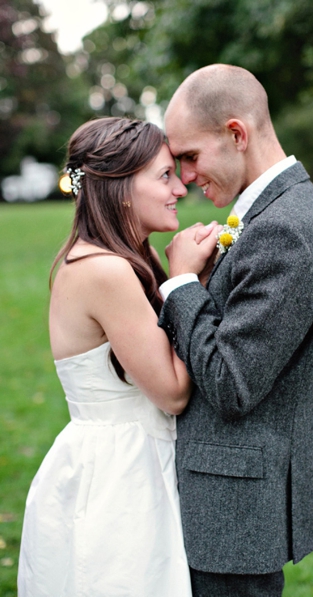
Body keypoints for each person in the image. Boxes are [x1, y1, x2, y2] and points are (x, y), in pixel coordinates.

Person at [158, 64, 313, 596]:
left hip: (233, 512)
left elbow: (232, 384)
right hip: (233, 503)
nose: (185, 176)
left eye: (189, 156)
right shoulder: (269, 212)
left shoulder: (283, 229)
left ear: (236, 134)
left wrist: (182, 285)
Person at [18, 117, 200, 595]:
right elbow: (174, 392)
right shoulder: (106, 271)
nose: (180, 188)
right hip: (120, 481)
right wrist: (186, 283)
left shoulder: (125, 257)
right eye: (164, 175)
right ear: (120, 189)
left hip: (130, 461)